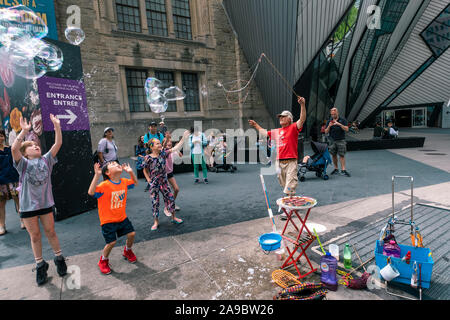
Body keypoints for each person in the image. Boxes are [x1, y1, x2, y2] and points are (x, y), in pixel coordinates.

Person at [11, 115, 67, 286]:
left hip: (45, 205)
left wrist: (57, 126)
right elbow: (14, 149)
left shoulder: (46, 159)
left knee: (51, 232)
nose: (35, 146)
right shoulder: (23, 164)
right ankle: (40, 265)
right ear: (25, 153)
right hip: (28, 207)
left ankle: (59, 258)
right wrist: (24, 132)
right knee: (35, 236)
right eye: (31, 146)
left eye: (37, 145)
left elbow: (57, 144)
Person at [249, 96, 307, 208]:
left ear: (289, 119)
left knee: (289, 186)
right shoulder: (277, 131)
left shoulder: (294, 127)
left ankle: (289, 208)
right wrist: (256, 125)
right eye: (280, 117)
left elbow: (302, 119)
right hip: (279, 162)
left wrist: (302, 105)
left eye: (283, 117)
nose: (280, 118)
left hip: (291, 162)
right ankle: (293, 205)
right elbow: (265, 133)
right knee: (285, 185)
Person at [88, 161, 138, 275]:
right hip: (108, 221)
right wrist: (97, 175)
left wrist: (130, 172)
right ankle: (103, 260)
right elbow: (91, 192)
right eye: (112, 164)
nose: (116, 164)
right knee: (111, 243)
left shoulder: (124, 182)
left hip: (122, 217)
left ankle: (127, 251)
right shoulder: (104, 185)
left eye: (116, 163)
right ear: (107, 172)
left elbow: (135, 183)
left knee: (131, 234)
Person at [143, 130, 190, 231]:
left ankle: (173, 217)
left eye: (160, 143)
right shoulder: (148, 158)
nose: (160, 144)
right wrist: (148, 180)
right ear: (151, 146)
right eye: (157, 143)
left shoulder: (163, 154)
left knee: (170, 199)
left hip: (164, 181)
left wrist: (183, 139)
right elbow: (145, 170)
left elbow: (176, 148)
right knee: (155, 202)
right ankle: (156, 221)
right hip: (154, 183)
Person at [0, 129, 23, 235]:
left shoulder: (10, 149)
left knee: (18, 200)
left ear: (4, 137)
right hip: (1, 181)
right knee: (1, 204)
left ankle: (23, 220)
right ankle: (2, 226)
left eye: (1, 135)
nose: (0, 138)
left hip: (13, 178)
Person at [325, 107, 350, 177]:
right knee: (333, 155)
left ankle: (343, 170)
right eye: (332, 114)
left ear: (337, 113)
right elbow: (326, 131)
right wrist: (329, 126)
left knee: (342, 155)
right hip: (332, 140)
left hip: (341, 140)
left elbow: (347, 129)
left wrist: (339, 124)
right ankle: (336, 169)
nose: (333, 116)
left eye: (334, 114)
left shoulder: (342, 120)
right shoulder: (329, 121)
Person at [163, 137, 182, 213]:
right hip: (163, 175)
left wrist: (176, 148)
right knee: (168, 191)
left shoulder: (172, 151)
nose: (169, 143)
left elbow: (180, 155)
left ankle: (171, 203)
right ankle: (168, 206)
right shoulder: (162, 151)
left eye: (170, 141)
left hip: (170, 173)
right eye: (167, 141)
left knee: (176, 189)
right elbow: (164, 148)